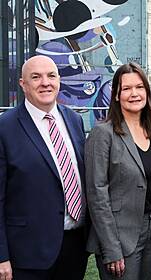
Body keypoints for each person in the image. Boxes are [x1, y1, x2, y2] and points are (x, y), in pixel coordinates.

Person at [0, 55, 88, 280]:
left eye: (51, 76)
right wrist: (1, 256)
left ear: (59, 80)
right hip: (27, 254)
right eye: (36, 77)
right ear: (23, 84)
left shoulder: (74, 120)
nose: (45, 83)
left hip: (74, 247)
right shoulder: (5, 128)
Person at [85, 62, 151, 280]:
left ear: (147, 91)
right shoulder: (103, 133)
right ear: (116, 95)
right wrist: (111, 248)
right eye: (126, 89)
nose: (134, 94)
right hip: (119, 237)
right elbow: (97, 194)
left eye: (139, 87)